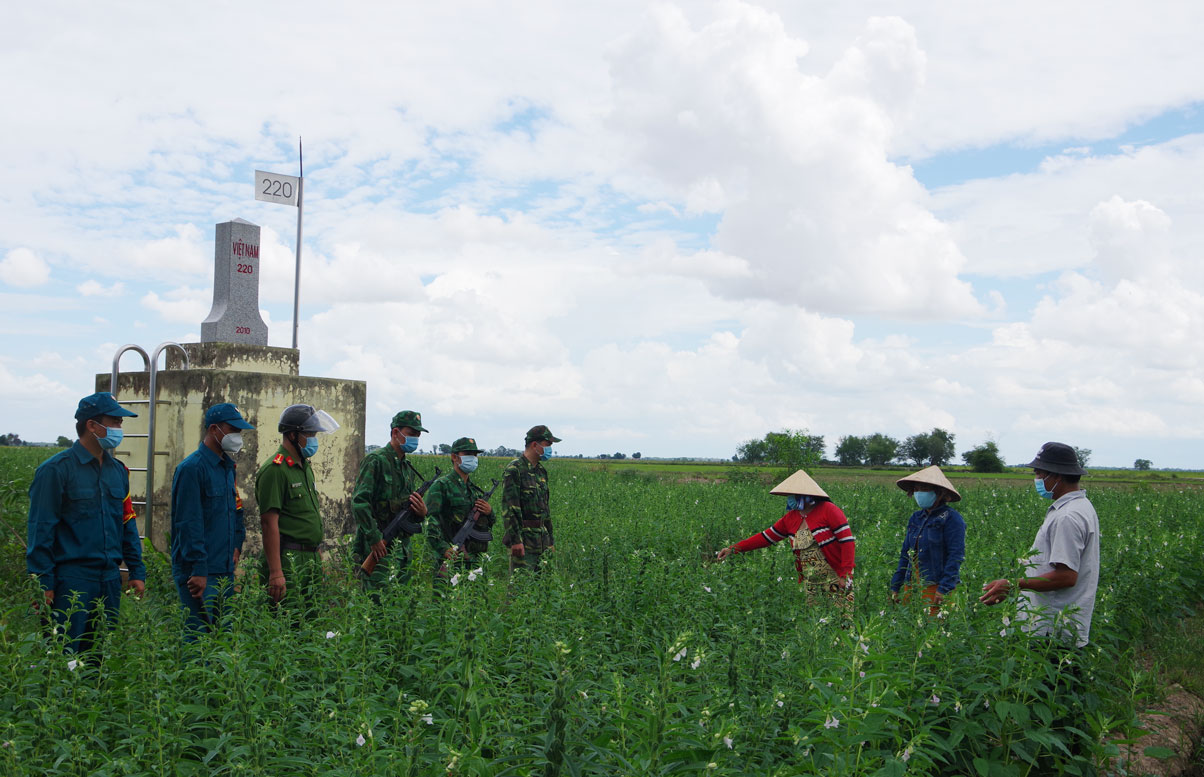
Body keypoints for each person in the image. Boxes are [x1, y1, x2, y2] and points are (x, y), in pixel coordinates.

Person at [26, 392, 146, 653]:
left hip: (109, 580)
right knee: (65, 658)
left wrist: (136, 571)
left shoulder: (118, 472)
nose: (119, 428)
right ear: (92, 425)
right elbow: (41, 530)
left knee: (98, 662)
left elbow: (127, 524)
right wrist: (43, 585)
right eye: (114, 422)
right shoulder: (56, 471)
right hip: (71, 582)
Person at [981, 442, 1100, 647]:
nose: (1036, 479)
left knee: (1052, 679)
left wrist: (1013, 585)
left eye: (1039, 474)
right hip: (1057, 625)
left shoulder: (1067, 516)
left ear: (1057, 476)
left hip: (1052, 630)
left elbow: (1066, 576)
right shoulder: (1079, 506)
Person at [169, 403, 254, 639]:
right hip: (199, 572)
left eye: (239, 432)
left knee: (222, 638)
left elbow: (236, 511)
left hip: (223, 567)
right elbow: (188, 523)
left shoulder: (227, 468)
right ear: (214, 430)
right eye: (233, 430)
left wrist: (237, 544)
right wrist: (198, 569)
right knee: (198, 640)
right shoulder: (192, 469)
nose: (237, 436)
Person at [717, 469, 855, 603]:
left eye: (793, 495)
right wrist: (733, 549)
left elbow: (847, 542)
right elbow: (765, 538)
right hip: (810, 580)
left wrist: (845, 575)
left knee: (840, 619)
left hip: (836, 576)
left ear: (806, 495)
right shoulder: (791, 518)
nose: (790, 499)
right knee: (815, 619)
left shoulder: (829, 510)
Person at [254, 403, 339, 609]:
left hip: (309, 557)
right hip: (288, 559)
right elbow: (268, 523)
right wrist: (276, 572)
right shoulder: (275, 470)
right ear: (293, 435)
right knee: (287, 621)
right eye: (310, 434)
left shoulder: (304, 467)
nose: (313, 439)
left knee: (310, 621)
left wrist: (316, 552)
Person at [351, 410, 429, 591]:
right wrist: (374, 538)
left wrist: (421, 513)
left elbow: (407, 511)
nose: (415, 439)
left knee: (398, 607)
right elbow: (360, 502)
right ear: (396, 433)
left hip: (402, 552)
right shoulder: (376, 461)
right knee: (377, 605)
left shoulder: (406, 468)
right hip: (379, 550)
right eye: (411, 434)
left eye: (418, 435)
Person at [889, 465, 966, 614]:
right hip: (912, 583)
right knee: (908, 625)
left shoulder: (952, 519)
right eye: (916, 489)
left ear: (940, 493)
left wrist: (944, 589)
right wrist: (896, 586)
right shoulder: (916, 518)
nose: (919, 493)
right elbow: (906, 553)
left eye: (924, 489)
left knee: (932, 630)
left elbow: (956, 556)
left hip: (935, 585)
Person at [425, 436, 495, 580]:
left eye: (475, 455)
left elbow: (488, 524)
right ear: (454, 457)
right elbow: (431, 521)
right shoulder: (441, 486)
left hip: (474, 559)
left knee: (472, 600)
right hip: (452, 555)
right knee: (444, 596)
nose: (473, 458)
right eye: (468, 454)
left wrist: (489, 512)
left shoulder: (474, 491)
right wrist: (444, 549)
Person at [502, 425, 560, 573]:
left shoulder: (541, 472)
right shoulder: (514, 470)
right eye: (548, 444)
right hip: (524, 542)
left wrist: (550, 541)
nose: (550, 449)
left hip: (542, 541)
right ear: (535, 445)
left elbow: (545, 509)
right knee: (520, 590)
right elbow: (510, 508)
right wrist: (515, 541)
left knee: (543, 589)